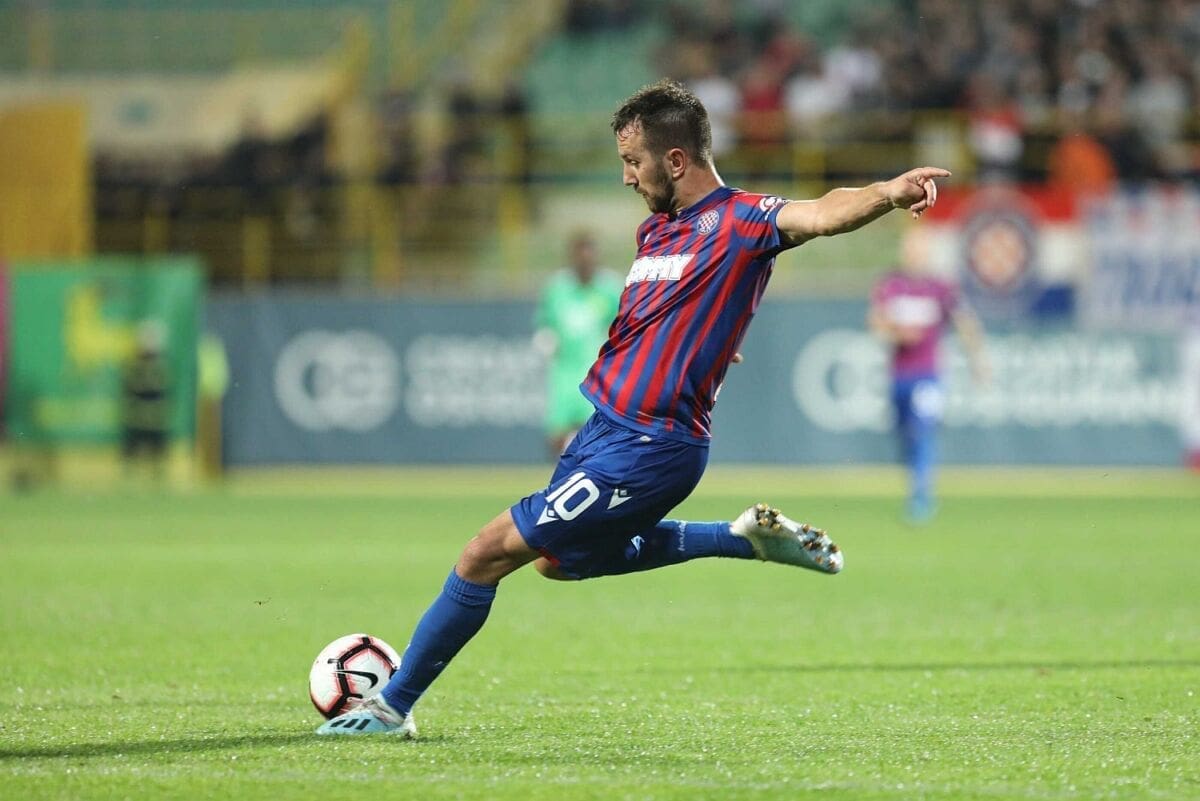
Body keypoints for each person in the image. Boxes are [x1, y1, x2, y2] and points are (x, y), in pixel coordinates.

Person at [318, 79, 950, 737]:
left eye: (632, 161)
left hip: (651, 446)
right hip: (603, 429)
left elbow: (820, 212)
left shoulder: (743, 219)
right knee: (558, 562)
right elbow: (663, 317)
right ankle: (738, 538)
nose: (626, 177)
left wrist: (886, 193)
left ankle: (390, 706)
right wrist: (707, 345)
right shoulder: (656, 232)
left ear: (674, 159)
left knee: (484, 553)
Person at [867, 229, 988, 522]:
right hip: (899, 375)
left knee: (923, 430)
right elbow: (876, 322)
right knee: (904, 433)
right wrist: (896, 333)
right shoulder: (891, 285)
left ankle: (921, 494)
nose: (915, 255)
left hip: (928, 374)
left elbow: (964, 322)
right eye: (910, 249)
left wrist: (978, 360)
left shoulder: (941, 288)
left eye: (919, 250)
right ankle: (915, 479)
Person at [533, 230, 623, 456]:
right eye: (581, 256)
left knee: (595, 432)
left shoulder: (610, 288)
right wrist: (546, 339)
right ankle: (566, 471)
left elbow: (622, 324)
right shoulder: (557, 288)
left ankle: (588, 472)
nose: (585, 261)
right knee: (556, 436)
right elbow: (545, 323)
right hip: (563, 370)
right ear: (572, 257)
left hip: (596, 372)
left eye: (590, 255)